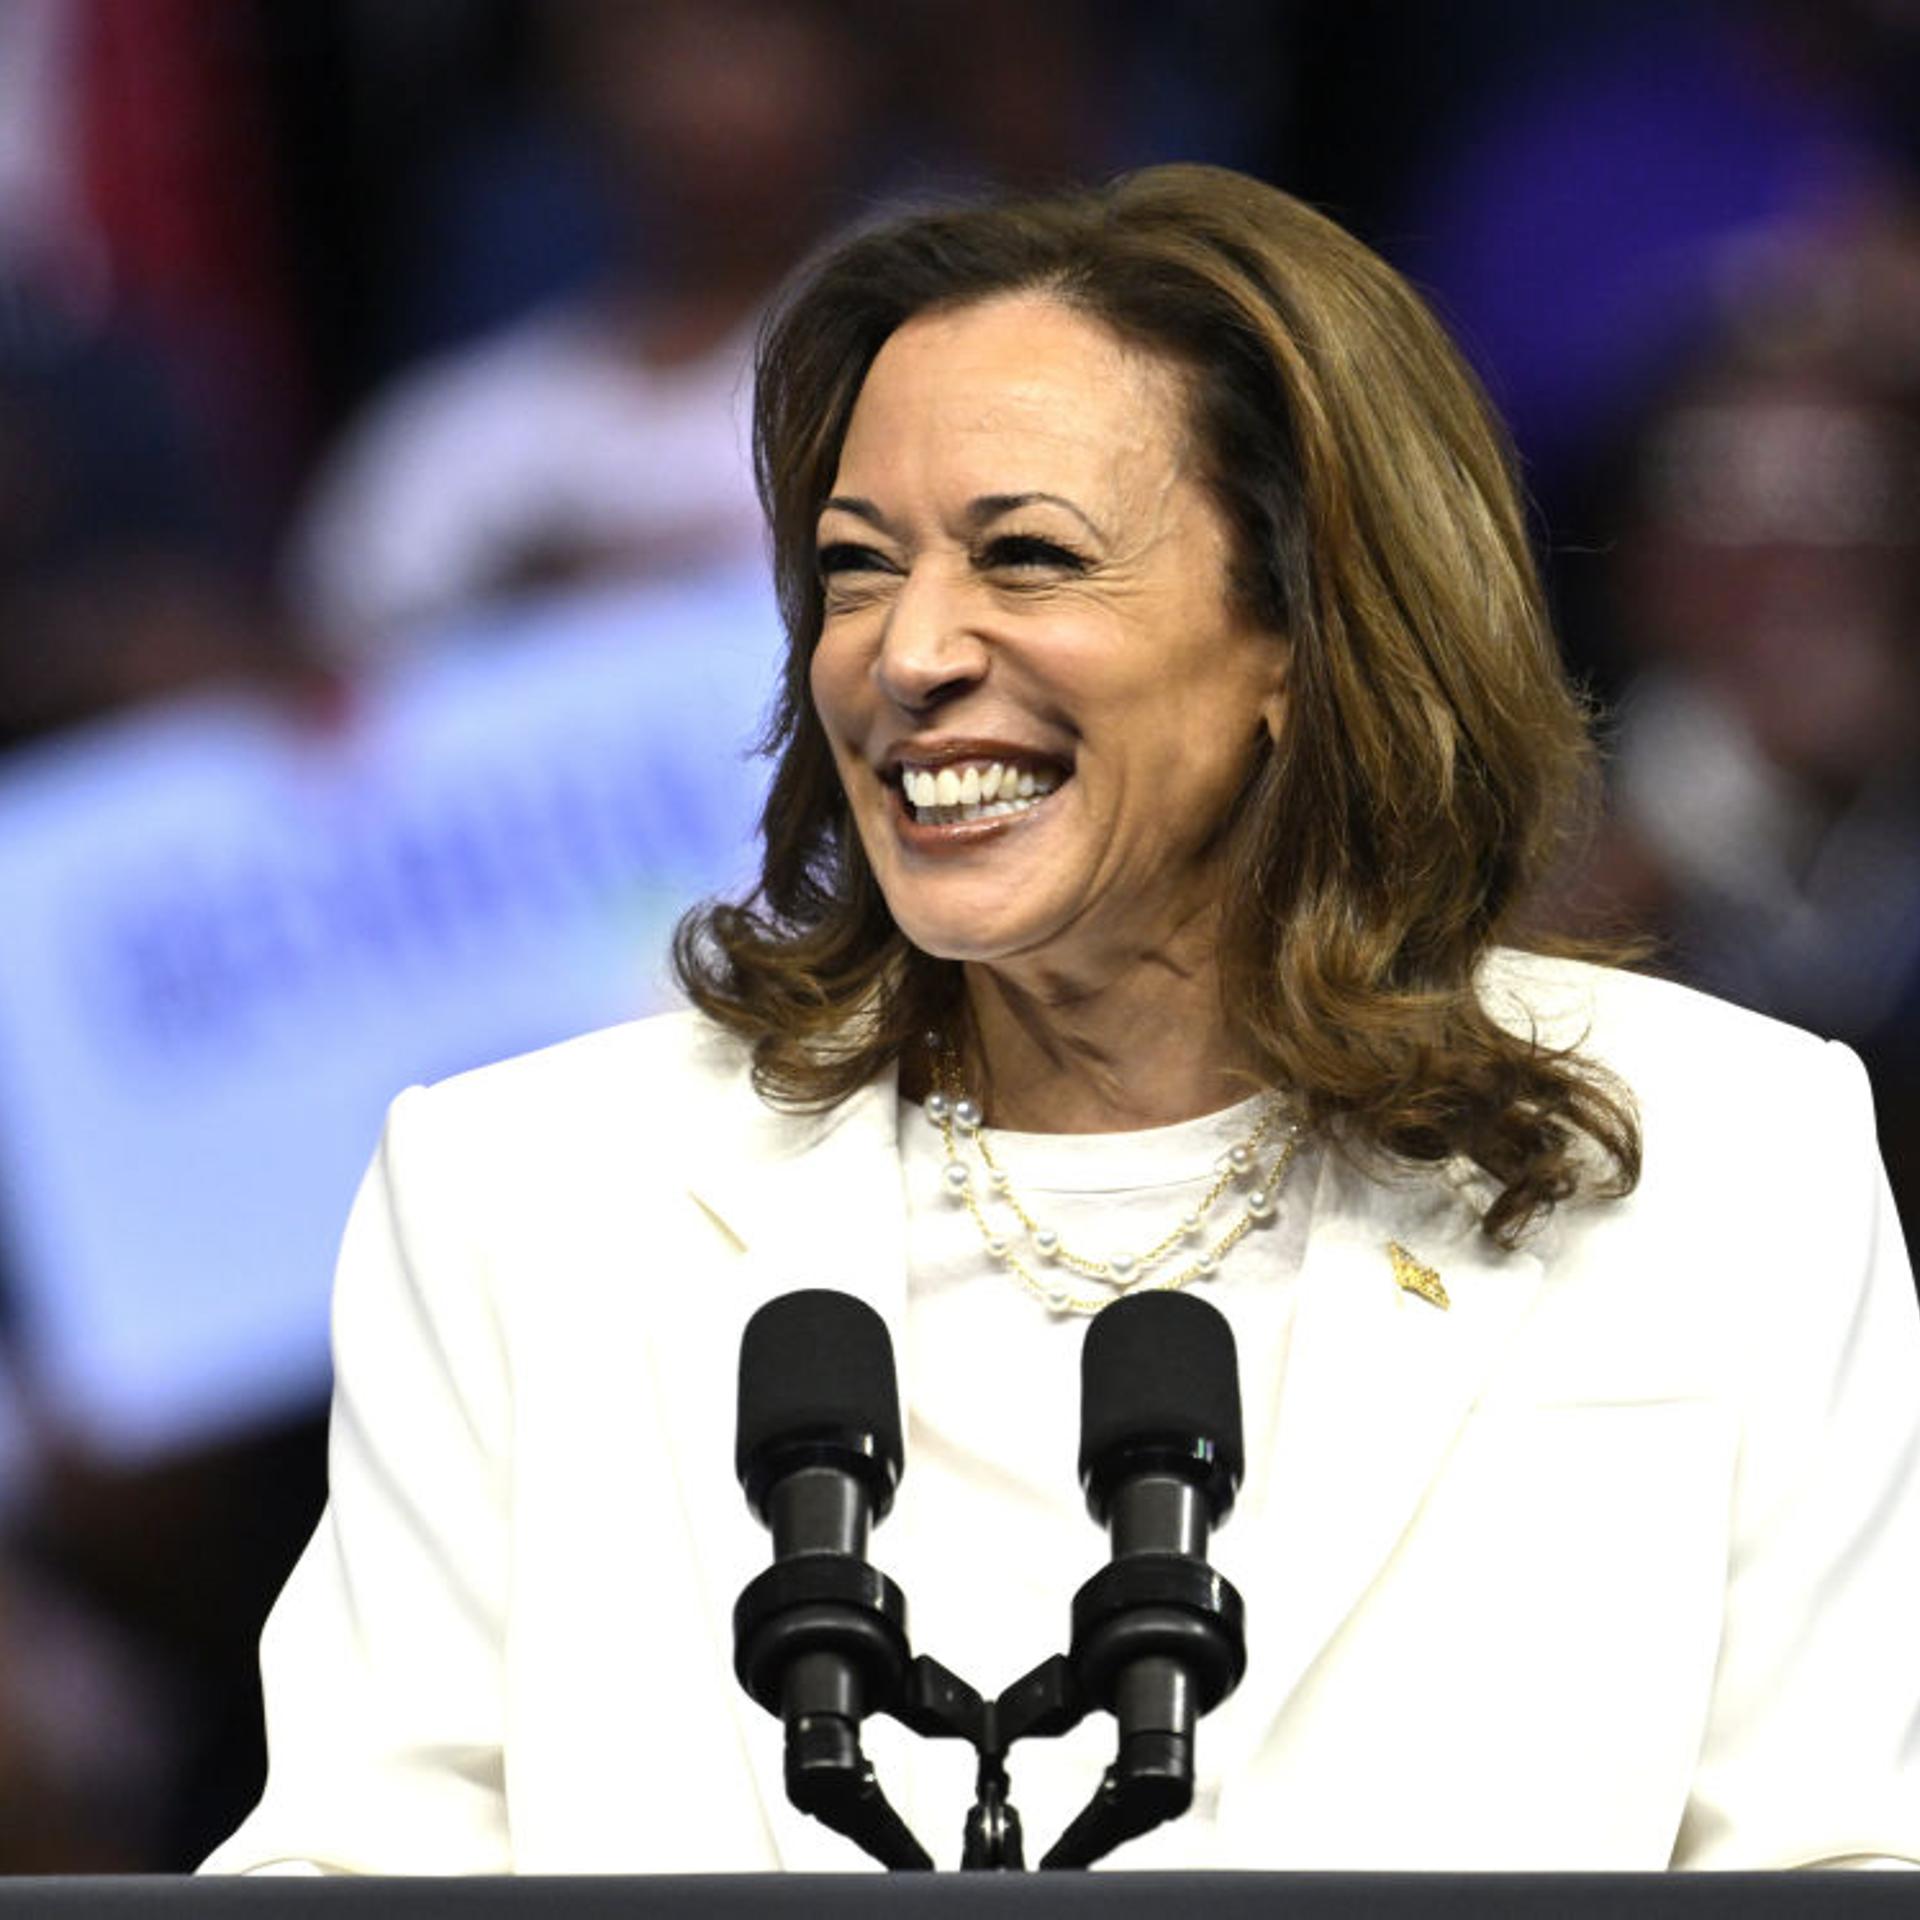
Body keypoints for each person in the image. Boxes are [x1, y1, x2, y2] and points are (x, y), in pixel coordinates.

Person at [203, 166, 1920, 1874]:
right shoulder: (523, 1198)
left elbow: (1841, 1866)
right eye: (856, 569)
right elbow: (345, 1869)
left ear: (1302, 629)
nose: (907, 654)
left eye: (1027, 558)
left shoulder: (1728, 1166)